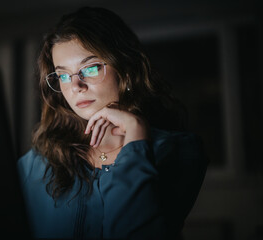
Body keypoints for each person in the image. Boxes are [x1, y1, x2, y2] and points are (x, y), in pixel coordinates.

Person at [17, 6, 207, 239]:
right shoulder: (36, 164)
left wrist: (136, 135)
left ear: (125, 70)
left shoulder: (179, 151)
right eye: (64, 75)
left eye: (91, 68)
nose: (76, 86)